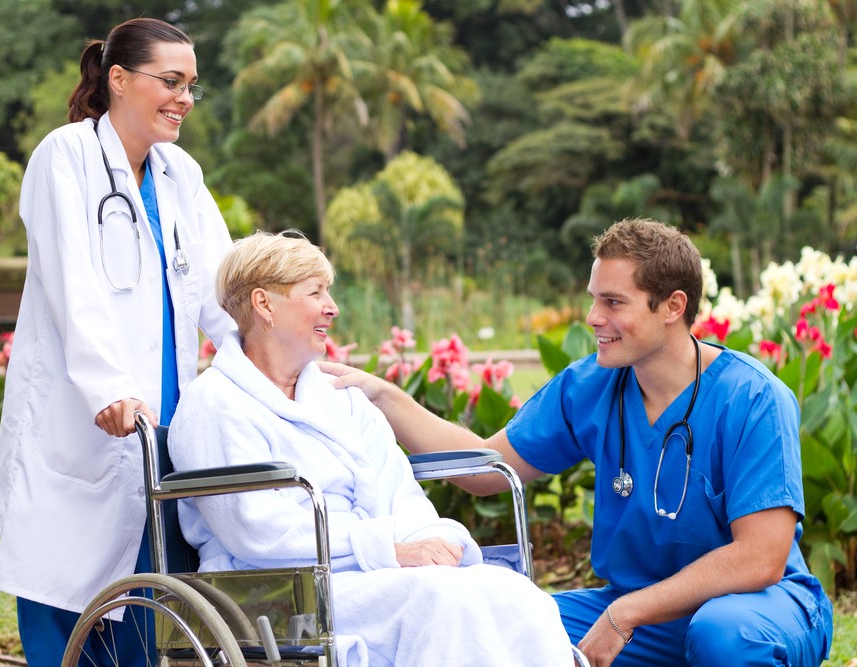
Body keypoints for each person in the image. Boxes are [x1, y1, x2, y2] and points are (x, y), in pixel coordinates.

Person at [321, 218, 833, 667]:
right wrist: (384, 396)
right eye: (593, 298)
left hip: (761, 605)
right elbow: (484, 470)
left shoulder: (754, 397)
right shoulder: (589, 386)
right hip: (641, 611)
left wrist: (626, 612)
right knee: (503, 627)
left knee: (722, 636)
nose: (592, 318)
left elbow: (759, 559)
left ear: (673, 306)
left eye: (613, 302)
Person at [168, 231, 576, 667]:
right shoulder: (212, 404)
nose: (333, 307)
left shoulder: (340, 398)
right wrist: (387, 550)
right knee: (438, 601)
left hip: (364, 573)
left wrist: (431, 542)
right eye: (315, 293)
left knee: (516, 595)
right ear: (264, 304)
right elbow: (258, 532)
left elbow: (399, 492)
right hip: (276, 590)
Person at [0, 18, 235, 665]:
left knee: (149, 616)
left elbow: (219, 286)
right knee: (66, 607)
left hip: (164, 426)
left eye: (191, 86)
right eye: (171, 82)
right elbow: (74, 284)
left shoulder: (181, 173)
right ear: (120, 80)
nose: (184, 98)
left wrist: (269, 360)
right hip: (87, 420)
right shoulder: (64, 157)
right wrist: (110, 389)